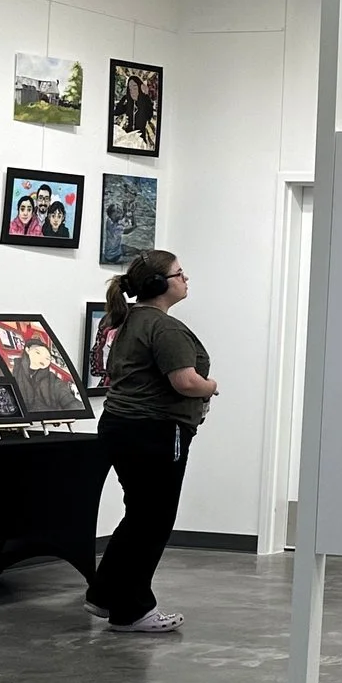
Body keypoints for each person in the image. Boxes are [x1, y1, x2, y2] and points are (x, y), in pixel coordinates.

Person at [88, 248, 216, 634]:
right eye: (180, 273)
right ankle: (132, 610)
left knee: (140, 515)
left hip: (120, 427)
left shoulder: (128, 321)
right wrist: (213, 386)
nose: (186, 278)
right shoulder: (164, 328)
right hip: (155, 432)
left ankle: (105, 594)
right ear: (160, 284)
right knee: (154, 520)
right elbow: (185, 381)